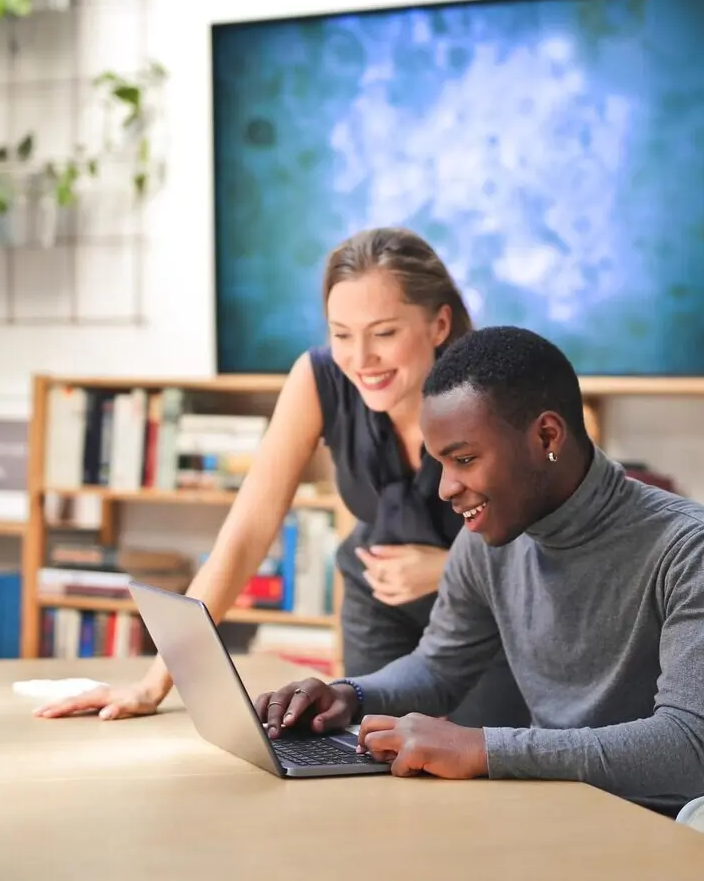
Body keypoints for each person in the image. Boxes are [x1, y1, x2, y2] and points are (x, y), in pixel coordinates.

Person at [253, 325, 704, 819]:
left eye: (466, 459)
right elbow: (437, 668)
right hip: (562, 811)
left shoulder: (695, 546)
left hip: (681, 831)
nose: (446, 489)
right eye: (441, 465)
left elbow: (688, 750)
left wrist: (481, 748)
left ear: (547, 435)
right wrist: (348, 696)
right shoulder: (488, 540)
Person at [34, 227, 529, 728]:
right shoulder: (319, 380)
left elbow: (550, 551)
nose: (361, 359)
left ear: (439, 324)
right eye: (341, 335)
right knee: (377, 755)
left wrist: (449, 570)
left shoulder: (489, 390)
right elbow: (247, 533)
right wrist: (152, 684)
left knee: (481, 766)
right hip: (380, 602)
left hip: (491, 615)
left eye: (384, 333)